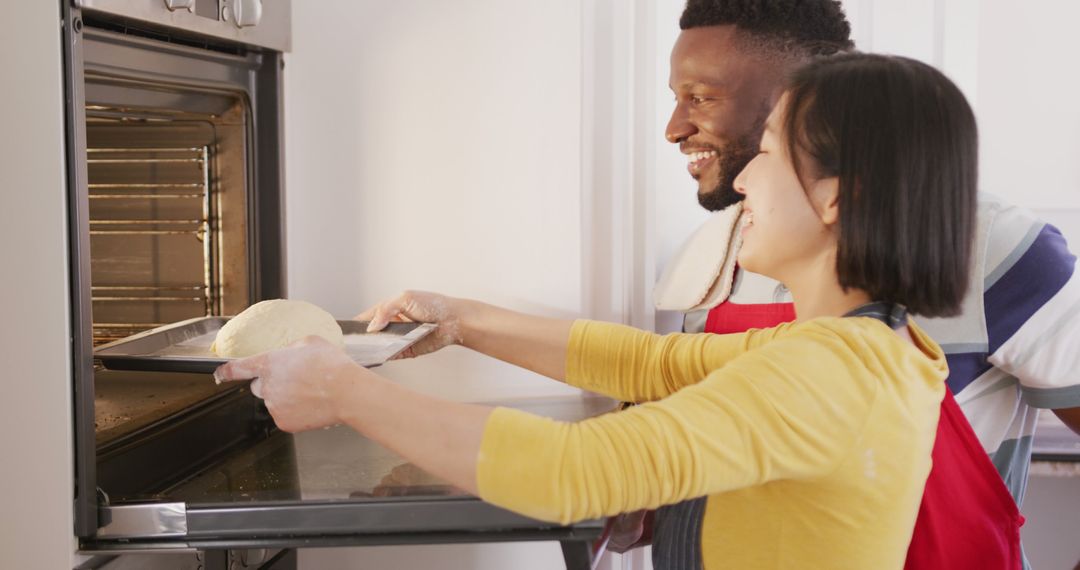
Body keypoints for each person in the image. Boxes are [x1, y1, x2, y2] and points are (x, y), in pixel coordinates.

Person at [216, 52, 981, 569]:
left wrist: (343, 389)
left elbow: (572, 471)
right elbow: (651, 365)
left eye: (771, 153)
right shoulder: (859, 349)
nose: (745, 181)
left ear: (834, 194)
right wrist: (461, 319)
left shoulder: (830, 371)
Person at [653, 0, 1080, 544]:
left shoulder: (994, 245)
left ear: (804, 96)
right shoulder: (708, 261)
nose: (674, 127)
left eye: (702, 96)